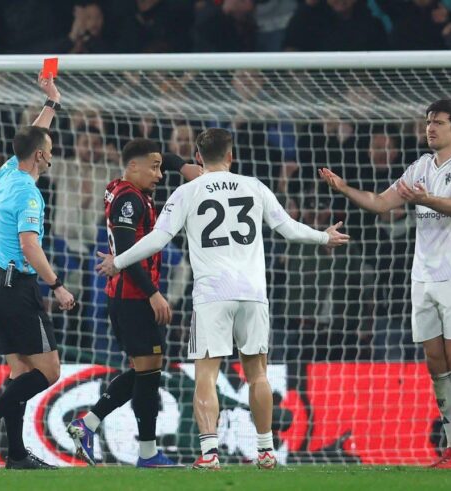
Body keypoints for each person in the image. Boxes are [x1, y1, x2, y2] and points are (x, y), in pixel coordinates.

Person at [95, 128, 349, 469]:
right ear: (231, 156)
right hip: (253, 293)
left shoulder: (187, 192)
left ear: (198, 157)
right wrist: (324, 237)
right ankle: (266, 451)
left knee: (206, 375)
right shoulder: (254, 186)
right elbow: (288, 228)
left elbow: (157, 239)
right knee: (258, 374)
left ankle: (210, 454)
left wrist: (119, 261)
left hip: (212, 295)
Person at [320, 99, 451, 469]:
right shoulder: (420, 167)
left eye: (438, 122)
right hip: (423, 278)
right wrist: (344, 188)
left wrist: (426, 199)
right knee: (436, 363)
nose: (430, 128)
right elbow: (380, 203)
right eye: (428, 122)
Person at [0, 73, 75, 470]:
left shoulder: (6, 173)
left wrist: (52, 102)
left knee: (20, 372)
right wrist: (57, 286)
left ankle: (17, 454)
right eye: (49, 150)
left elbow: (32, 137)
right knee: (49, 371)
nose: (52, 152)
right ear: (41, 157)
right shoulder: (29, 193)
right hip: (17, 288)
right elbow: (30, 245)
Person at [66, 140, 200, 468]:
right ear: (133, 167)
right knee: (149, 372)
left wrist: (177, 164)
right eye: (153, 168)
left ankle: (92, 426)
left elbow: (158, 157)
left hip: (126, 296)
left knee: (146, 370)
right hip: (133, 298)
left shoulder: (124, 188)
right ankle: (139, 448)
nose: (159, 174)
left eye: (160, 167)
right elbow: (126, 254)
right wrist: (153, 293)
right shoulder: (129, 200)